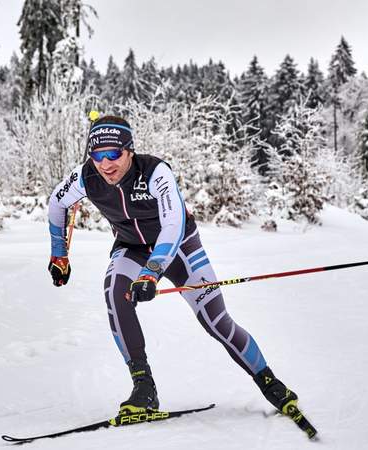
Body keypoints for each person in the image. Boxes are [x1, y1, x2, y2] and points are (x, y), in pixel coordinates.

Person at [47, 115, 305, 418]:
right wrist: (59, 255)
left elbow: (173, 224)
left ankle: (269, 382)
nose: (106, 164)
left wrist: (152, 271)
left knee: (216, 321)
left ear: (130, 150)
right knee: (115, 292)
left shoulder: (155, 172)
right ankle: (144, 389)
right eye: (98, 156)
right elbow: (57, 203)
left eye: (114, 154)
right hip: (132, 248)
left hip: (180, 246)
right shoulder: (85, 178)